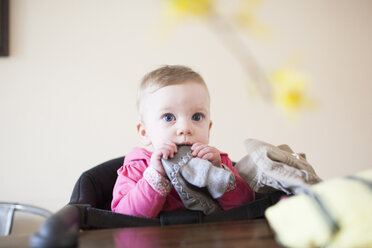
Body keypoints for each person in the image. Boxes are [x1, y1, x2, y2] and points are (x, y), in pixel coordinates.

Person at [111, 65, 255, 218]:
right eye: (168, 117)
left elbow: (247, 207)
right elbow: (123, 216)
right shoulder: (137, 167)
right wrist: (156, 176)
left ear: (209, 128)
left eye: (197, 117)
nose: (185, 129)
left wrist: (217, 175)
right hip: (156, 240)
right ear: (144, 132)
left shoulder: (217, 161)